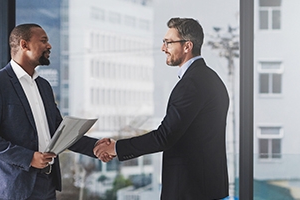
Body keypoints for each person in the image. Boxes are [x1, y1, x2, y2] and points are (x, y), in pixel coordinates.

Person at [94, 17, 230, 200]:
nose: (163, 48)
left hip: (190, 190)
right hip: (207, 187)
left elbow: (164, 137)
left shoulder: (191, 84)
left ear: (187, 46)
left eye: (168, 42)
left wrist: (116, 148)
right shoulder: (210, 78)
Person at [0, 23, 106, 200]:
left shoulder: (43, 85)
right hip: (14, 188)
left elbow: (59, 132)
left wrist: (95, 146)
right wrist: (29, 158)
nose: (49, 46)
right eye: (43, 41)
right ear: (24, 45)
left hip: (47, 183)